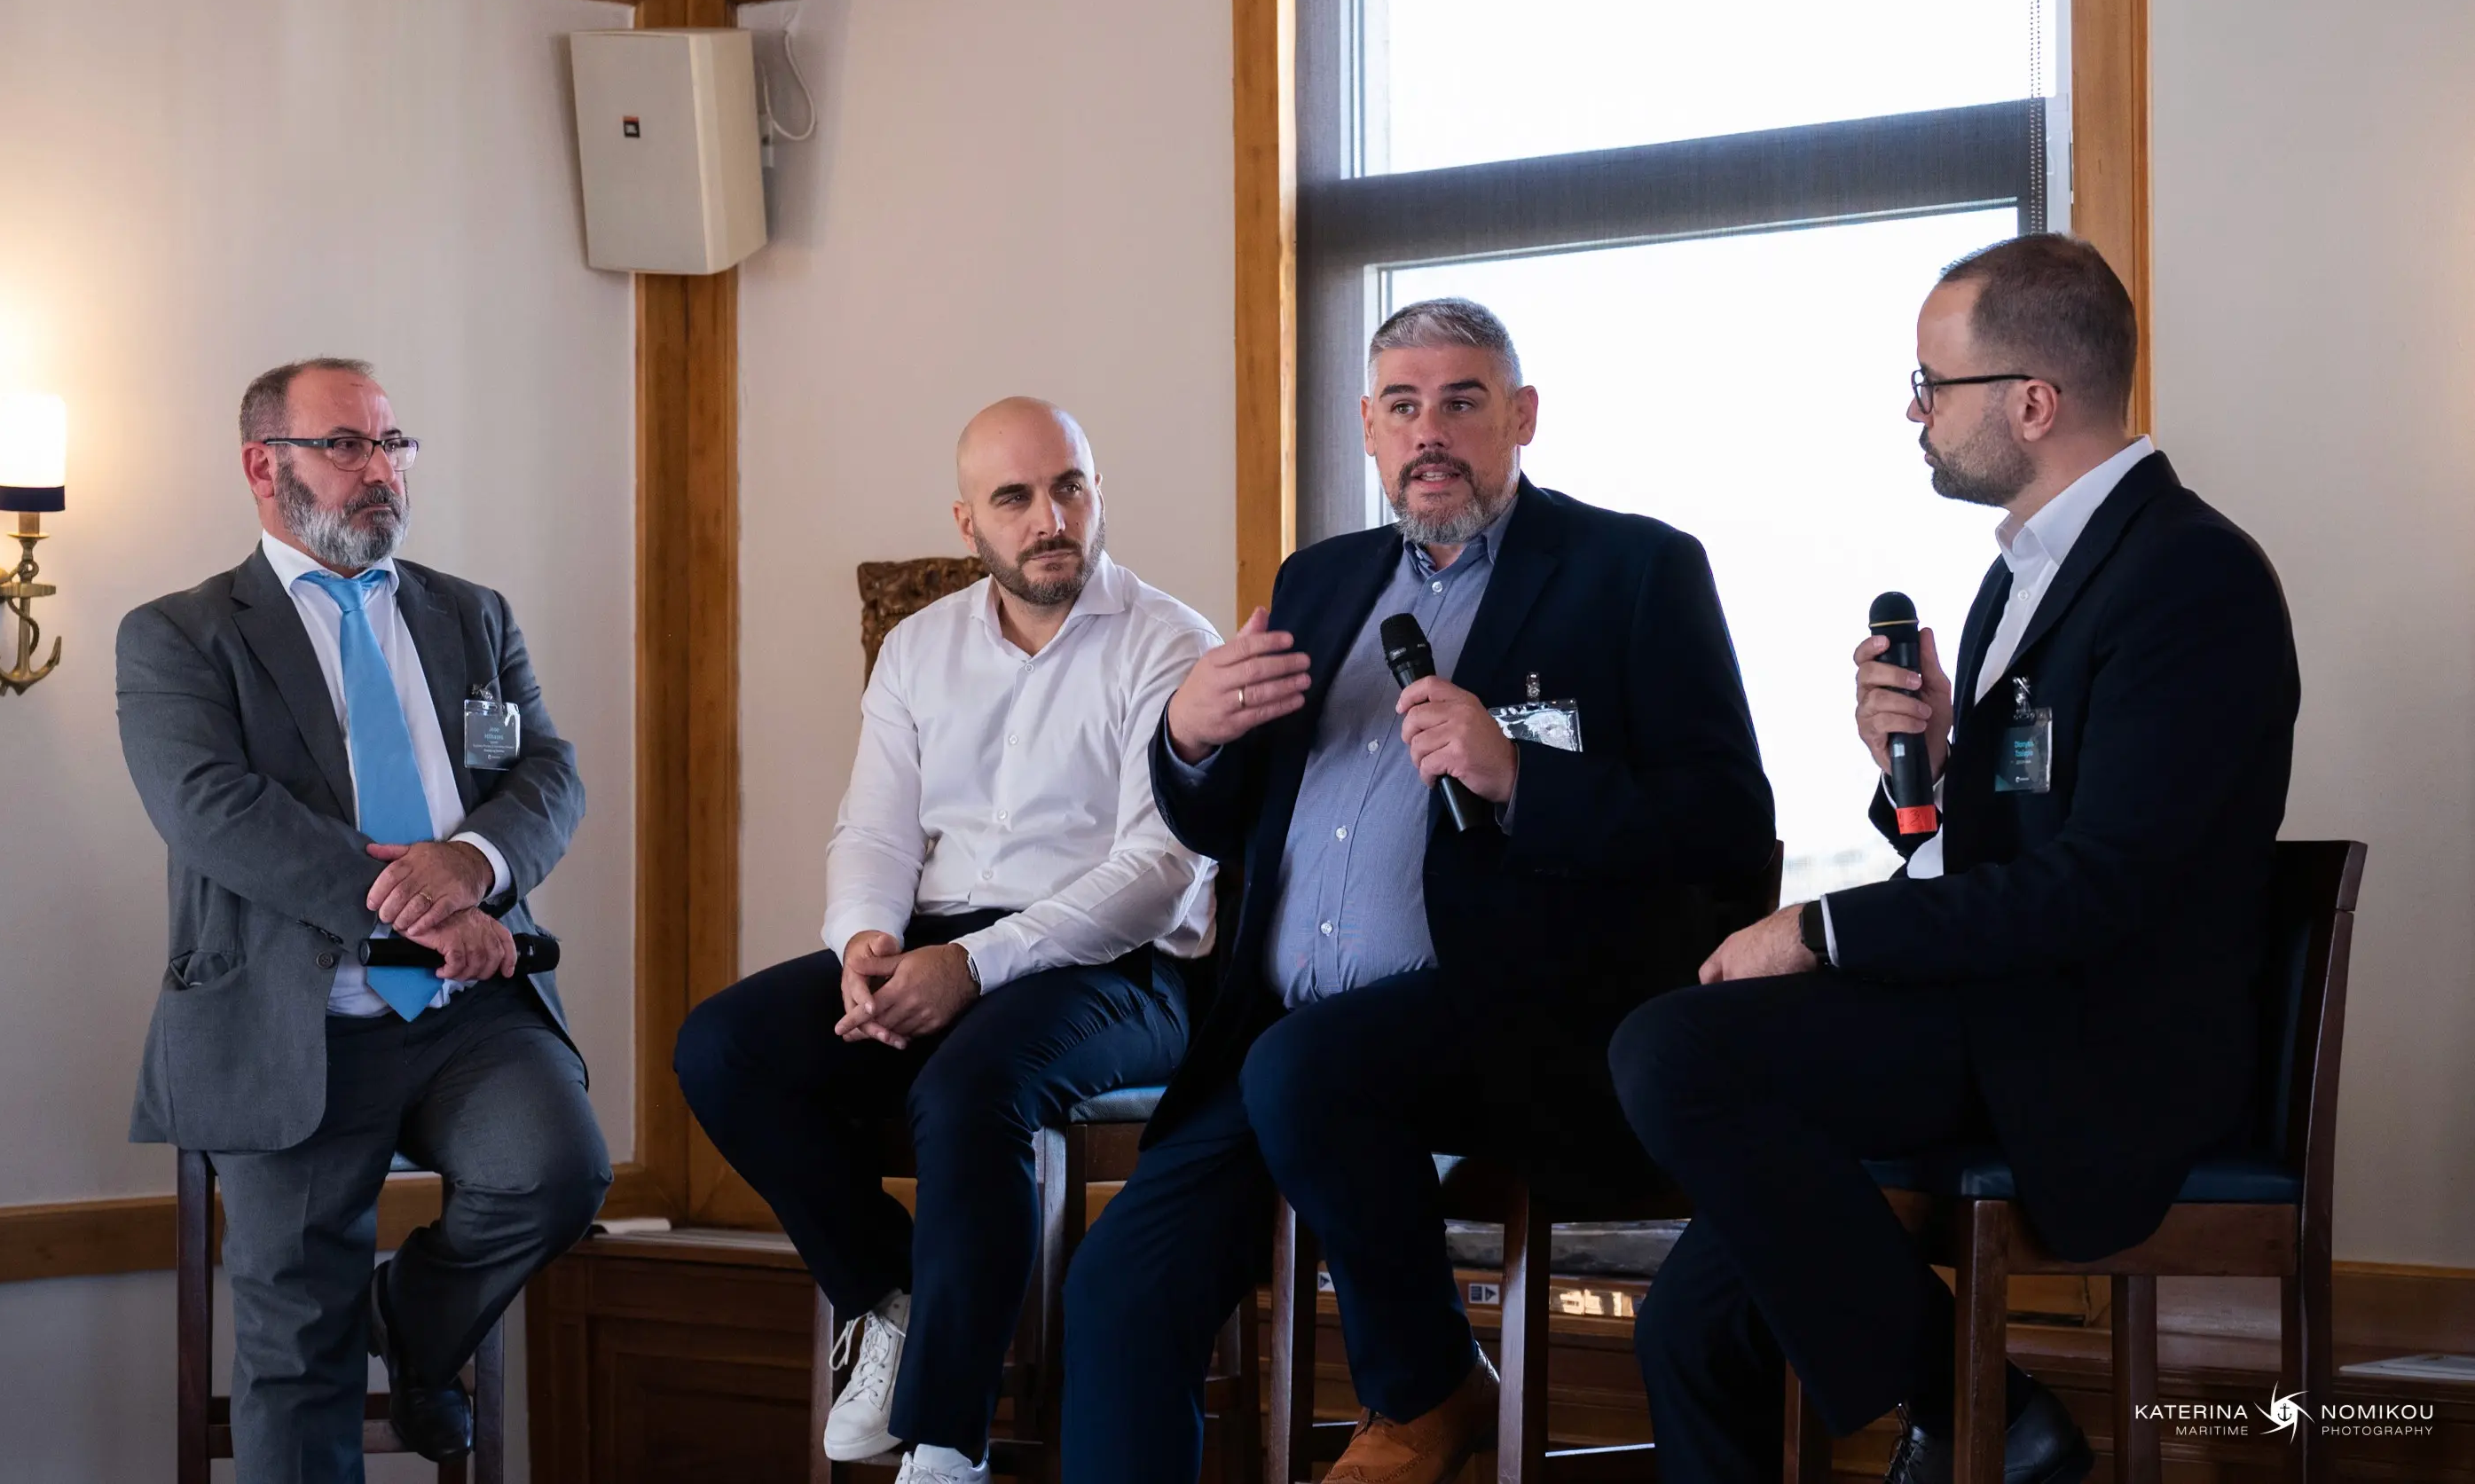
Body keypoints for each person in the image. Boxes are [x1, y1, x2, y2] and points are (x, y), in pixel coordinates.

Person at [1610, 234, 2301, 1484]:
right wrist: (1912, 775)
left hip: (2097, 1047)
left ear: (2032, 402)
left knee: (1672, 1050)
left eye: (1933, 384)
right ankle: (1976, 1405)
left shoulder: (2191, 577)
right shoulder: (2015, 584)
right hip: (1997, 1013)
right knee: (1691, 1326)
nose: (1915, 414)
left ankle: (1979, 1404)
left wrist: (1821, 929)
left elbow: (2102, 886)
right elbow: (1997, 852)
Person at [1062, 300, 1776, 1484]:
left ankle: (1426, 1391)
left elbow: (1728, 829)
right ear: (1368, 427)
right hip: (1288, 1036)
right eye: (1403, 405)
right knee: (1120, 1285)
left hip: (1521, 1019)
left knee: (1310, 1072)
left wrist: (1520, 777)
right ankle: (1430, 1384)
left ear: (1522, 416)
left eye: (1462, 401)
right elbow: (1225, 815)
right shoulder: (1320, 581)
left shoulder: (1634, 569)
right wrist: (1187, 739)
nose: (1429, 431)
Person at [674, 398, 1219, 1484]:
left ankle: (945, 1438)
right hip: (938, 937)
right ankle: (890, 1293)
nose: (1048, 517)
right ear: (969, 520)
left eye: (1068, 487)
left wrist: (971, 966)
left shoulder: (1170, 642)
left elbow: (1155, 874)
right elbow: (874, 827)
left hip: (1126, 965)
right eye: (1015, 498)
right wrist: (865, 943)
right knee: (722, 1047)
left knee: (968, 1086)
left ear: (1097, 492)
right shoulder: (920, 649)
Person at [115, 357, 610, 1483]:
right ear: (264, 466)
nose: (380, 472)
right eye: (347, 447)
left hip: (466, 1014)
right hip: (289, 1025)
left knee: (559, 1171)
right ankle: (368, 1336)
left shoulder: (469, 614)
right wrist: (416, 911)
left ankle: (412, 1320)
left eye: (394, 447)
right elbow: (216, 814)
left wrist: (475, 865)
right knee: (297, 1352)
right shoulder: (180, 635)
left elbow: (548, 776)